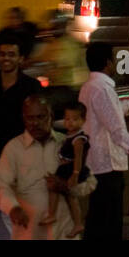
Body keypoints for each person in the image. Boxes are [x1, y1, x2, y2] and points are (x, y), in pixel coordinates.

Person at [78, 41, 129, 241]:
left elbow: (111, 113)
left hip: (96, 164)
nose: (115, 64)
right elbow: (117, 129)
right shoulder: (102, 89)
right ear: (107, 63)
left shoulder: (89, 87)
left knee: (98, 218)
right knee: (108, 222)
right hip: (107, 165)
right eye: (113, 60)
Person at [0, 95, 97, 240]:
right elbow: (3, 187)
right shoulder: (13, 149)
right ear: (23, 118)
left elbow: (90, 182)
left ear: (51, 116)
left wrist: (66, 186)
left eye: (40, 116)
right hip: (30, 232)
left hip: (64, 232)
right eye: (30, 118)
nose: (35, 123)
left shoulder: (68, 144)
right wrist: (13, 208)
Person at [0, 30, 44, 240]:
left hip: (20, 158)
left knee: (11, 209)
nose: (6, 58)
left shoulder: (30, 86)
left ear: (21, 58)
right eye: (2, 54)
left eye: (11, 54)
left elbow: (40, 120)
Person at [40, 101, 90, 237]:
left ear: (83, 120)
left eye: (75, 119)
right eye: (67, 119)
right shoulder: (70, 134)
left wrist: (75, 174)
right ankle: (77, 223)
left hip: (70, 170)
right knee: (69, 197)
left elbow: (79, 158)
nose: (70, 122)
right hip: (66, 169)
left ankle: (52, 214)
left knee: (54, 187)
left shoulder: (78, 139)